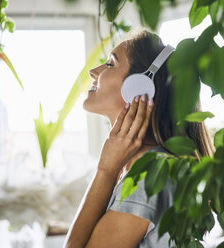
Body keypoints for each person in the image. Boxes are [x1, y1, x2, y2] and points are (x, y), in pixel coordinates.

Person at [63, 30, 212, 248]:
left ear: (140, 86)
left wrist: (105, 171)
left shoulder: (149, 172)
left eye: (110, 64)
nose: (94, 72)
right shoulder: (146, 167)